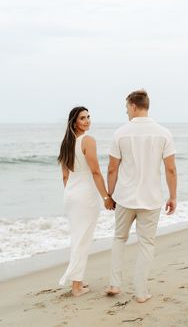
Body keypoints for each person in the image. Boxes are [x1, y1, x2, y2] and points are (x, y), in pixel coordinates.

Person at [106, 90, 177, 303]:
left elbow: (112, 168)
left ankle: (114, 284)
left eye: (127, 107)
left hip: (125, 197)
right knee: (146, 244)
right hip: (151, 197)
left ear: (134, 106)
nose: (126, 111)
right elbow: (170, 169)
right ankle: (140, 292)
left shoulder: (120, 133)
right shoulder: (164, 133)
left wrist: (110, 194)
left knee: (119, 238)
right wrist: (173, 196)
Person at [58, 106, 114, 297]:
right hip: (85, 195)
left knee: (78, 237)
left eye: (89, 117)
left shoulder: (65, 143)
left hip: (71, 195)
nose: (88, 120)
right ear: (74, 122)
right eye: (83, 118)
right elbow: (96, 172)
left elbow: (65, 176)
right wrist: (106, 197)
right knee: (83, 239)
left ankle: (77, 281)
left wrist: (72, 193)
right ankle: (76, 287)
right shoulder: (88, 141)